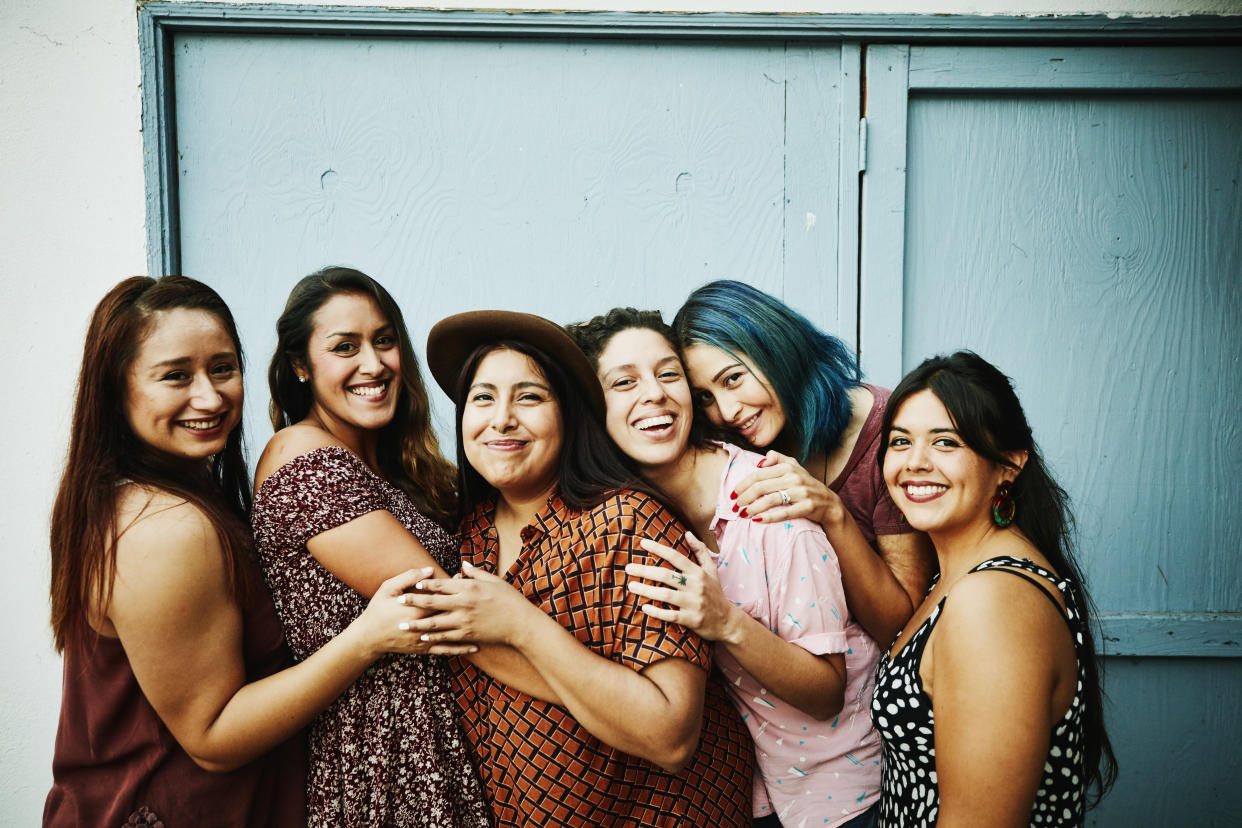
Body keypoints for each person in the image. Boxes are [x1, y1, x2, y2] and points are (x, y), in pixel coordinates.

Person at [45, 276, 435, 827]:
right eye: (176, 376)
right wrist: (365, 640)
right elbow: (212, 736)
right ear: (117, 390)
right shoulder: (164, 528)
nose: (210, 396)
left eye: (223, 368)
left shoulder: (171, 497)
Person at [405, 310, 754, 827]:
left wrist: (521, 624)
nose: (501, 418)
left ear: (569, 414)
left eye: (529, 396)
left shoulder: (630, 523)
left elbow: (671, 735)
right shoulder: (464, 537)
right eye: (482, 397)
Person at [567, 308, 882, 828]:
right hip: (757, 795)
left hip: (842, 795)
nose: (654, 393)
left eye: (668, 374)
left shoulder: (768, 500)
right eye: (624, 382)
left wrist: (725, 623)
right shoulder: (627, 516)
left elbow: (828, 692)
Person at [252, 266, 492, 827]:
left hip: (439, 745)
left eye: (384, 341)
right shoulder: (302, 454)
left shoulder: (401, 469)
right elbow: (447, 612)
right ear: (300, 367)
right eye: (345, 347)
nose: (373, 363)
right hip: (383, 760)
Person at [873, 351, 1116, 826]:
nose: (915, 463)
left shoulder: (992, 600)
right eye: (900, 442)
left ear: (1009, 463)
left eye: (946, 442)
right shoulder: (959, 573)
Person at [673, 280, 936, 649]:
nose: (726, 411)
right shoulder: (730, 445)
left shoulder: (888, 435)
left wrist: (833, 513)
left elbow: (899, 626)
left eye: (733, 379)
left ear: (775, 349)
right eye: (705, 397)